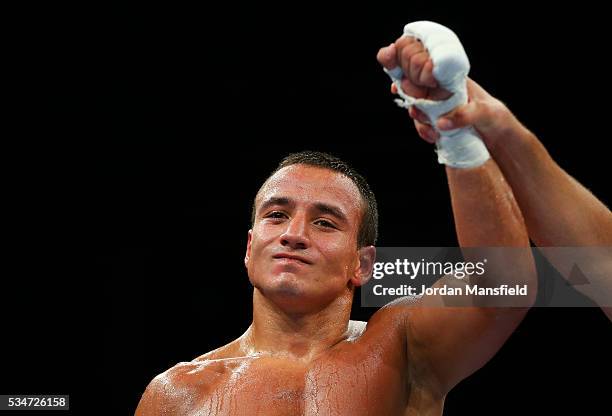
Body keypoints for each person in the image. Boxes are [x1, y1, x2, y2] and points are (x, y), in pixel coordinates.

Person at [135, 33, 543, 415]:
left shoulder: (399, 346)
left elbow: (504, 286)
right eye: (276, 216)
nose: (293, 235)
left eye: (325, 223)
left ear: (362, 265)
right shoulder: (178, 395)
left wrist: (454, 127)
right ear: (248, 247)